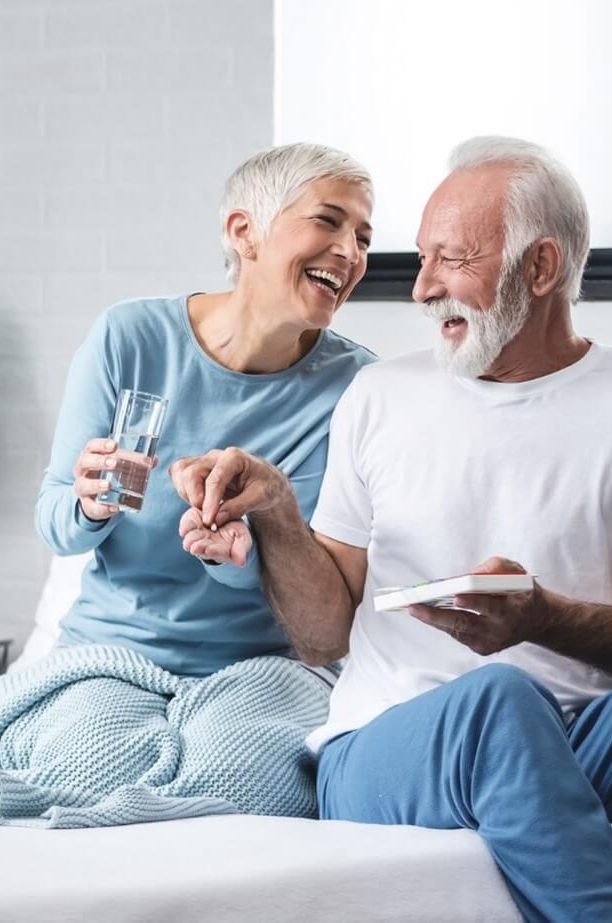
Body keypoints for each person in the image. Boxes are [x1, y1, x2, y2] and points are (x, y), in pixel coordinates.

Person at [169, 136, 612, 922]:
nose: (420, 288)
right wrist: (278, 510)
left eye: (451, 260)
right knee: (501, 699)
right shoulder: (380, 396)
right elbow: (323, 636)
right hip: (389, 749)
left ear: (540, 268)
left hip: (591, 743)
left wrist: (545, 618)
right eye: (420, 258)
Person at [34, 142, 377, 676]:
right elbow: (56, 522)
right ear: (245, 232)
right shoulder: (129, 339)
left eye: (362, 238)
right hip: (109, 655)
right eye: (327, 222)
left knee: (239, 763)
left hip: (258, 669)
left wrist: (231, 558)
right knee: (92, 758)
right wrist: (90, 506)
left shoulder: (354, 387)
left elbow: (312, 597)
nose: (351, 253)